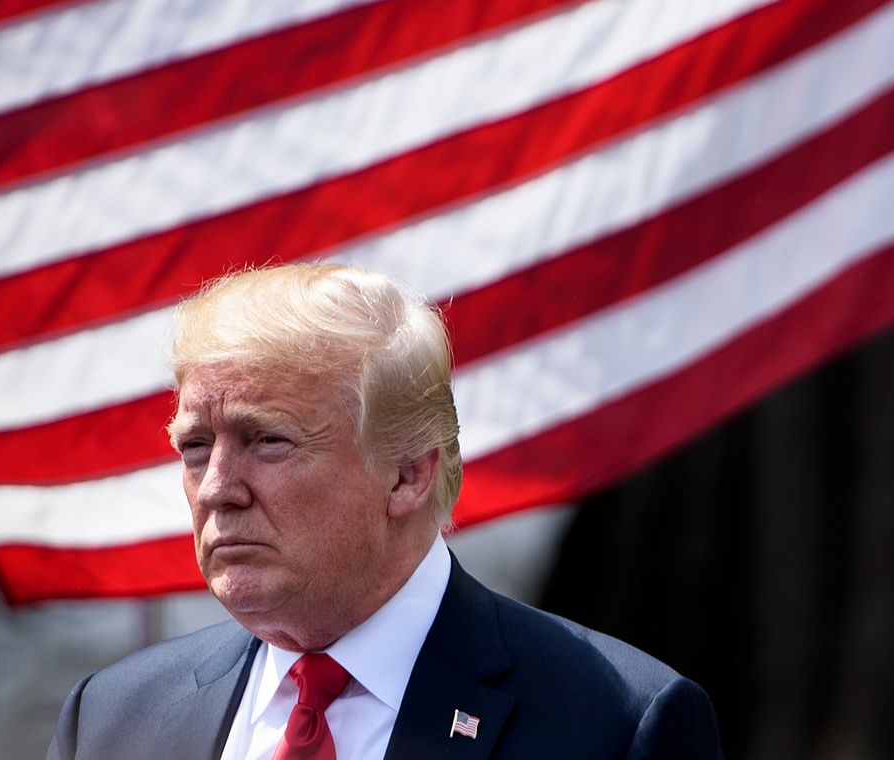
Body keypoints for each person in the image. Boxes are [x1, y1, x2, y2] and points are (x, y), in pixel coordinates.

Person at [48, 263, 722, 760]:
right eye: (195, 447)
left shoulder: (616, 723)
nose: (216, 487)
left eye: (269, 441)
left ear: (408, 474)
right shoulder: (112, 717)